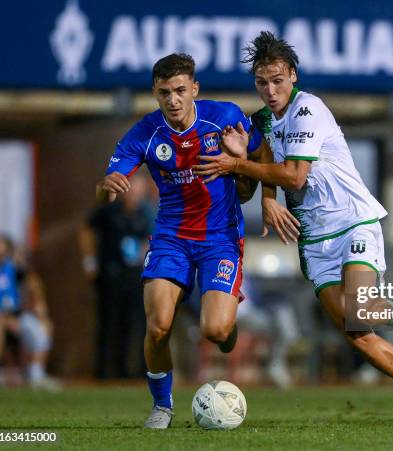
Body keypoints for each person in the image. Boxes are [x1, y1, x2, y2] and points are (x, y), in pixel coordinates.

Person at [194, 32, 393, 428]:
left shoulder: (307, 109)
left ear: (293, 77)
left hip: (353, 221)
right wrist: (265, 197)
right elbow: (264, 155)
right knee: (356, 333)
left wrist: (237, 166)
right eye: (262, 82)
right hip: (313, 240)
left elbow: (295, 177)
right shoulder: (262, 120)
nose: (270, 90)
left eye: (277, 80)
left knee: (361, 308)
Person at [96, 53, 296, 429]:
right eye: (164, 93)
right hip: (171, 238)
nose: (173, 100)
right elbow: (105, 186)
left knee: (216, 331)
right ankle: (162, 406)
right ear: (155, 94)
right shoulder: (145, 133)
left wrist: (268, 198)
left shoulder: (223, 117)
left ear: (195, 90)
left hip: (220, 239)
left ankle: (228, 326)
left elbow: (261, 152)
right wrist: (105, 188)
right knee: (157, 326)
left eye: (180, 91)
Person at [79, 172, 154, 379]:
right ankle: (103, 371)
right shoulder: (107, 211)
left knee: (137, 323)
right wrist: (89, 261)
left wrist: (146, 251)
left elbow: (155, 237)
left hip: (137, 275)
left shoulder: (147, 213)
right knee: (109, 323)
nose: (134, 193)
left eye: (138, 189)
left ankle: (136, 372)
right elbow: (86, 229)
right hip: (110, 273)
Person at [0, 235, 56, 389]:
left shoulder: (13, 269)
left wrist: (39, 305)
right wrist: (3, 318)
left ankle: (36, 373)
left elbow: (34, 283)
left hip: (15, 315)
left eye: (2, 250)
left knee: (44, 324)